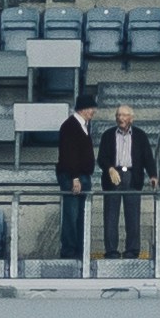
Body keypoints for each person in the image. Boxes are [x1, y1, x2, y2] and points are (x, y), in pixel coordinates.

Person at [96, 99, 150, 266]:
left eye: (124, 115)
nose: (120, 118)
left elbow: (148, 157)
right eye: (118, 115)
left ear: (131, 118)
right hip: (113, 177)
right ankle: (111, 250)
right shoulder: (107, 134)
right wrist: (110, 168)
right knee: (110, 216)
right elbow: (101, 158)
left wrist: (153, 175)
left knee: (132, 216)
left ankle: (132, 250)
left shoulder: (140, 135)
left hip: (133, 177)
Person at [51, 95, 92, 271]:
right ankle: (69, 250)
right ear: (83, 108)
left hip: (81, 175)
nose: (93, 112)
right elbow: (69, 154)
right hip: (73, 176)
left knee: (80, 215)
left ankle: (79, 249)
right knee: (72, 214)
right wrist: (75, 177)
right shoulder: (70, 126)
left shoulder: (82, 126)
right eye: (91, 109)